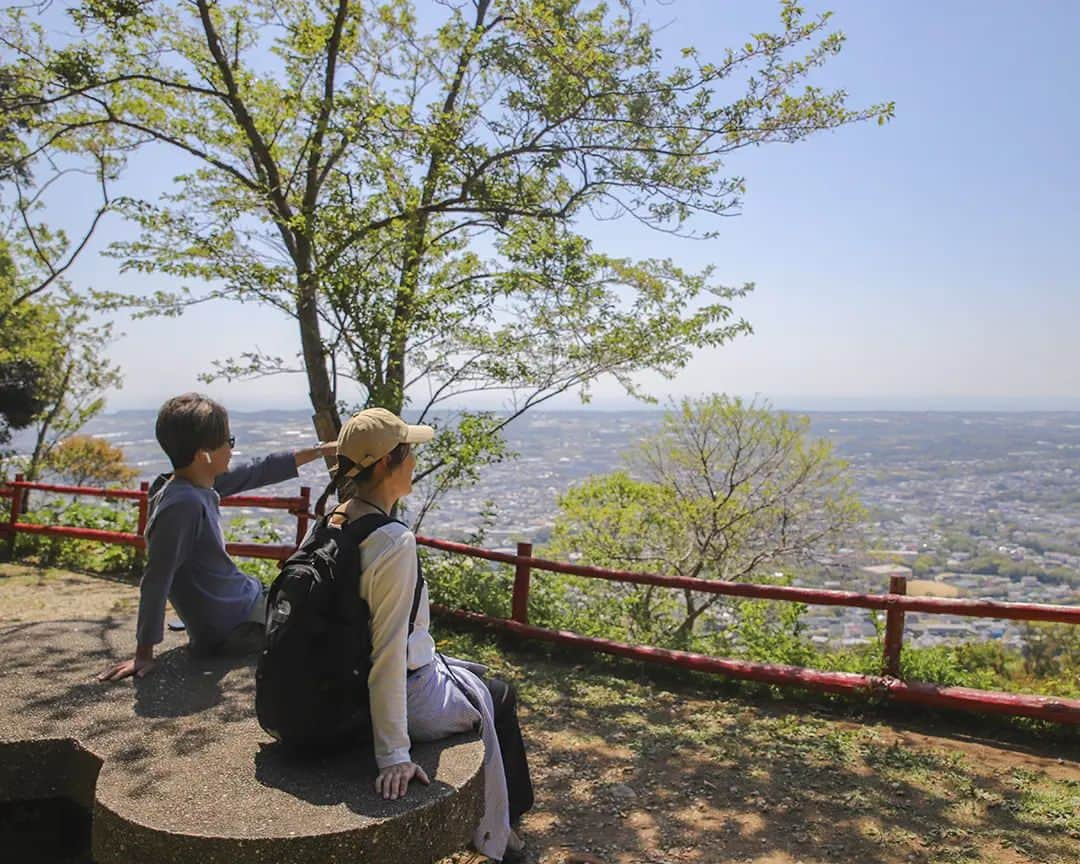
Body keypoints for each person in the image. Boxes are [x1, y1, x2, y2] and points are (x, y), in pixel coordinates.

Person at [326, 408, 533, 863]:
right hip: (401, 692)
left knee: (491, 688)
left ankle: (506, 824)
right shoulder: (392, 541)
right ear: (385, 465)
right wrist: (394, 755)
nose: (415, 462)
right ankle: (506, 829)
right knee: (499, 697)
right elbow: (387, 653)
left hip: (337, 684)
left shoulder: (334, 522)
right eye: (408, 454)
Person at [99, 393, 336, 682]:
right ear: (204, 455)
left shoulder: (189, 482)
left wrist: (321, 450)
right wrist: (143, 653)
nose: (232, 449)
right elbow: (157, 577)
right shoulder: (183, 504)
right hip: (237, 623)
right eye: (229, 441)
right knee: (329, 611)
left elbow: (258, 470)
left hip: (239, 604)